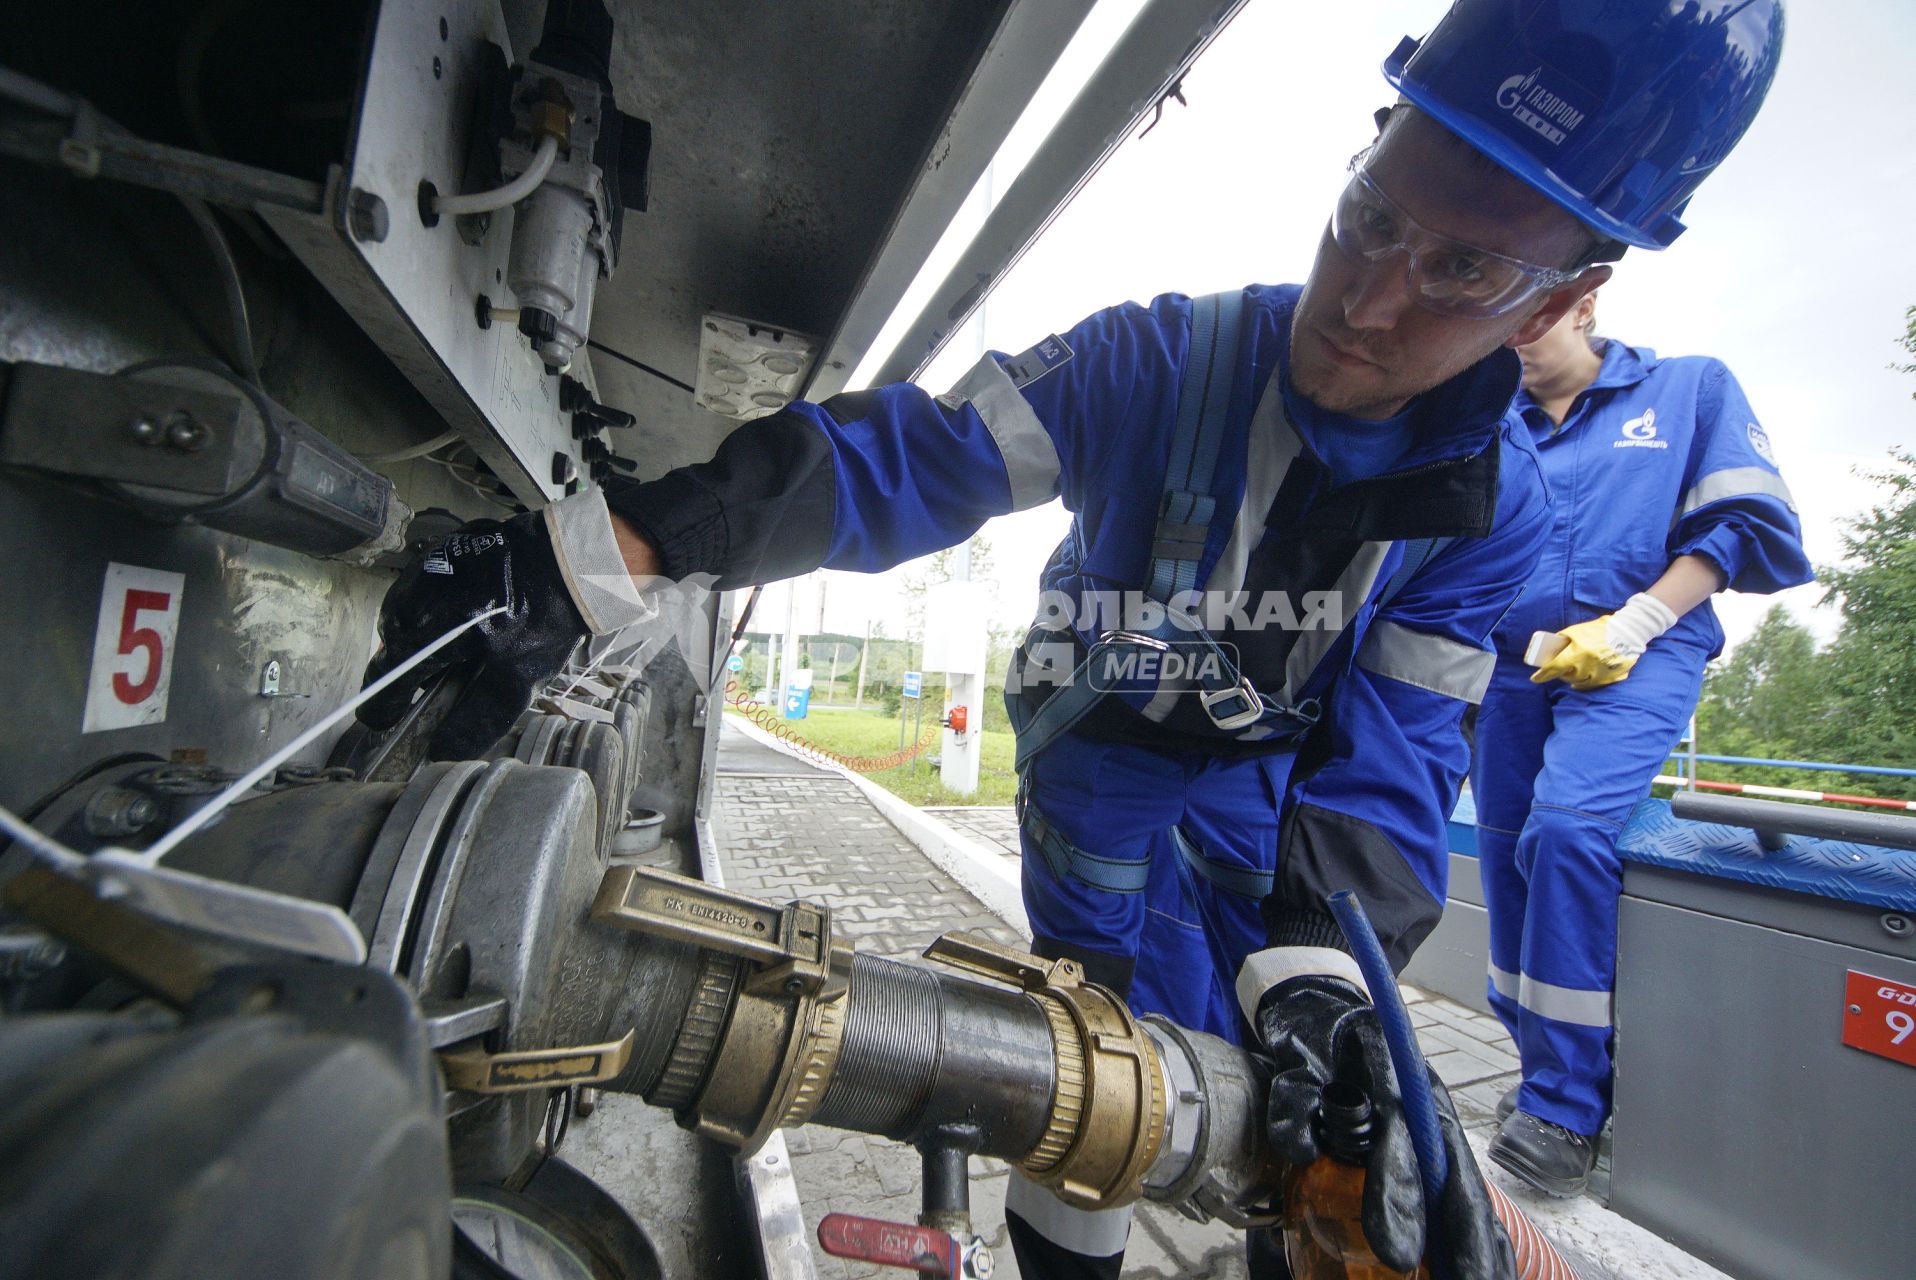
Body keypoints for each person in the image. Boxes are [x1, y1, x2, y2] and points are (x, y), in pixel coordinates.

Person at [359, 2, 1787, 1274]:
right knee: (1089, 1047)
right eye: (1370, 214)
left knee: (1320, 1068)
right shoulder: (1156, 363)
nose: (1368, 297)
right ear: (1365, 150)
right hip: (1098, 746)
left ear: (1563, 296)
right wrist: (610, 552)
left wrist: (1322, 990)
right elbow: (901, 459)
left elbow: (1393, 763)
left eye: (1464, 272)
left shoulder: (1498, 519)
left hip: (1263, 780)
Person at [1472, 293, 1811, 1199]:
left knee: (1568, 830)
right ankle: (1534, 1060)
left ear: (1583, 305)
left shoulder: (1687, 391)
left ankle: (1566, 1109)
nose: (1507, 345)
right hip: (1513, 668)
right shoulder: (1484, 420)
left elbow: (1739, 524)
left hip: (1641, 652)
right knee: (1502, 856)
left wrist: (1642, 619)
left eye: (1525, 324)